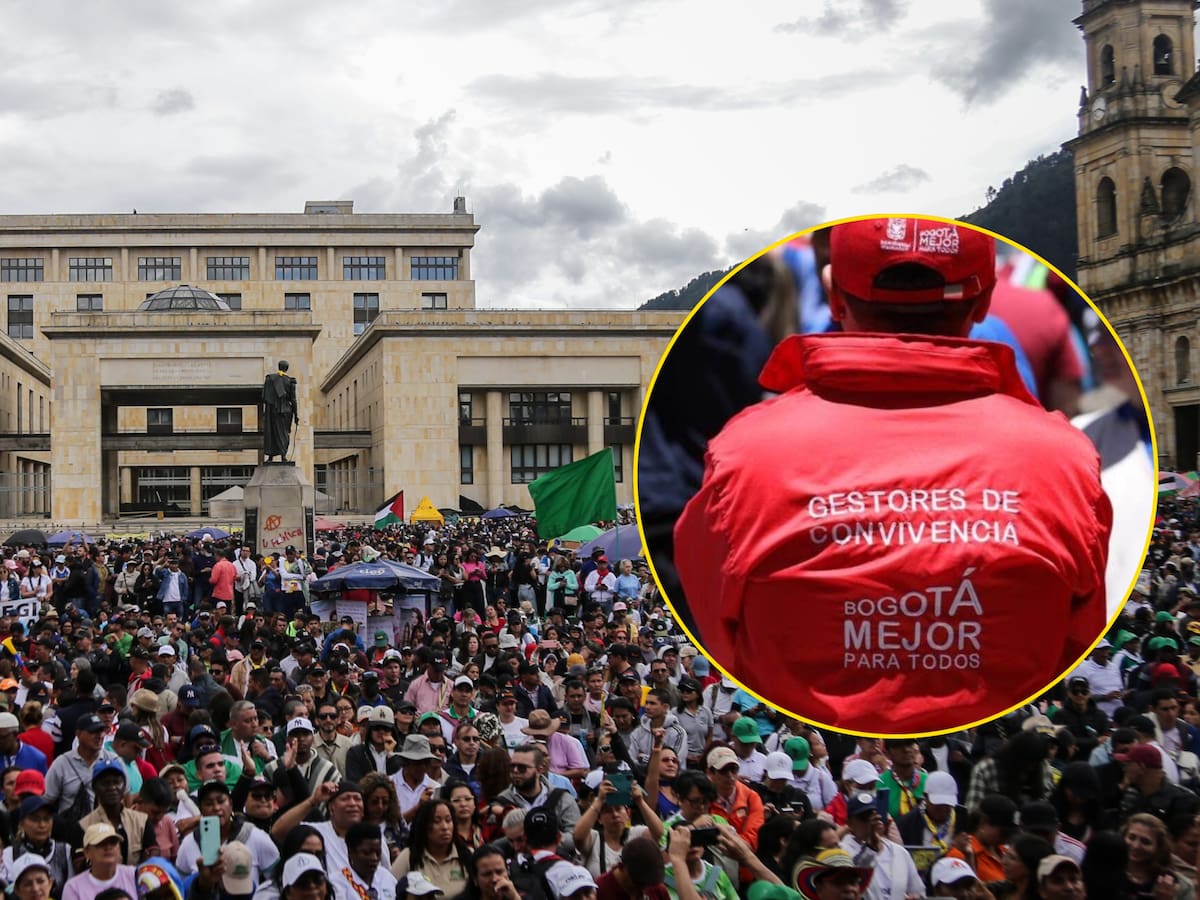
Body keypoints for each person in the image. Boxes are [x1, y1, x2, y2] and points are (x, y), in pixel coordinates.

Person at [673, 217, 1112, 734]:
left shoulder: (743, 455)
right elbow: (1077, 631)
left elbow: (714, 620)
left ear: (835, 297)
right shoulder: (1066, 460)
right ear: (984, 302)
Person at [262, 360, 299, 463]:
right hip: (286, 411)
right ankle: (283, 456)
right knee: (284, 433)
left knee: (272, 432)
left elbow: (264, 396)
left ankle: (270, 457)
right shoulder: (290, 381)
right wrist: (296, 415)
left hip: (273, 411)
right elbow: (293, 399)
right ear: (287, 368)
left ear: (279, 367)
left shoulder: (270, 379)